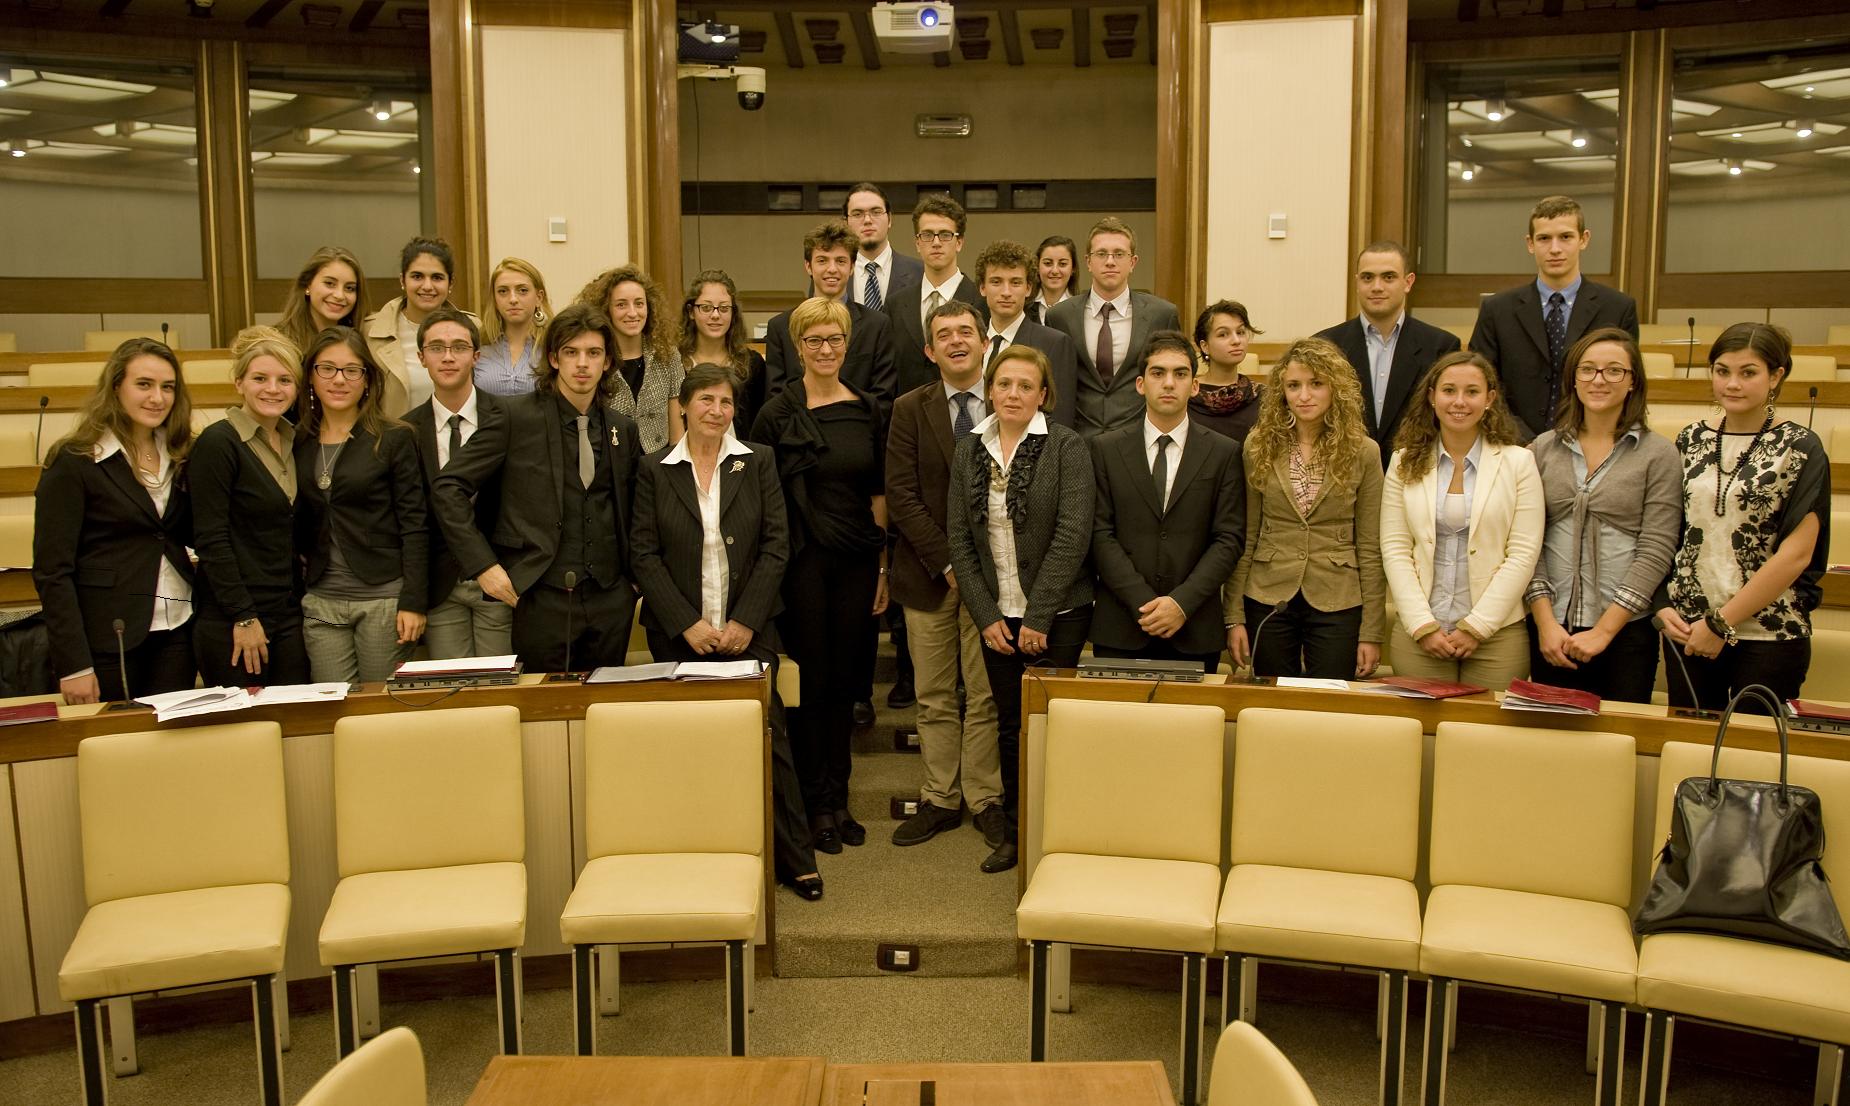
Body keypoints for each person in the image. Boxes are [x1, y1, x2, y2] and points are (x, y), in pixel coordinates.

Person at [630, 363, 823, 901]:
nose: (717, 411)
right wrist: (686, 623)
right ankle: (693, 851)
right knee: (688, 742)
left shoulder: (757, 462)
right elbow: (643, 553)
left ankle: (795, 858)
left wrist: (744, 621)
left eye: (726, 402)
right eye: (706, 401)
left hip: (750, 627)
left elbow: (776, 546)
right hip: (679, 632)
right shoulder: (653, 470)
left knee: (770, 735)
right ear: (684, 408)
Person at [432, 304, 644, 674]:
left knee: (605, 710)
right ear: (553, 358)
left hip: (610, 597)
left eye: (593, 353)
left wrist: (632, 582)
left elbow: (637, 506)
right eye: (571, 352)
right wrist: (483, 565)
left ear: (608, 361)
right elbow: (448, 487)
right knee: (544, 716)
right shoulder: (515, 417)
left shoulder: (621, 429)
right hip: (540, 594)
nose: (582, 364)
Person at [750, 297, 889, 859]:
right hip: (800, 563)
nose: (825, 350)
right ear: (797, 347)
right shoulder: (776, 414)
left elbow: (878, 494)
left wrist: (882, 567)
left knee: (846, 682)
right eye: (814, 341)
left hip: (857, 560)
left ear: (847, 344)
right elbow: (761, 496)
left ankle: (842, 798)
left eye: (834, 340)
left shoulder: (868, 409)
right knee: (809, 686)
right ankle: (812, 806)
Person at [886, 301, 1012, 872]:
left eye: (967, 331)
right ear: (929, 351)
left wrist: (979, 566)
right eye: (944, 335)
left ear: (986, 343)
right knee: (936, 695)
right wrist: (949, 560)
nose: (957, 341)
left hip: (996, 579)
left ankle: (985, 796)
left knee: (984, 695)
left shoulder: (1010, 401)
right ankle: (940, 796)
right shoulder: (910, 409)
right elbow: (902, 495)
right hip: (929, 575)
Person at [947, 345, 1094, 825]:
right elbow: (960, 538)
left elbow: (1073, 535)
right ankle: (1017, 826)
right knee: (1010, 726)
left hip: (1059, 614)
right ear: (989, 390)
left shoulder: (1066, 446)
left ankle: (1060, 827)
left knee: (1056, 727)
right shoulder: (969, 446)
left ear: (1043, 395)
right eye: (1005, 384)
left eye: (1026, 386)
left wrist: (1037, 617)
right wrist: (986, 615)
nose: (1014, 394)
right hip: (996, 618)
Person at [1658, 323, 1828, 711]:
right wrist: (1663, 604)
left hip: (1768, 633)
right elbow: (1669, 531)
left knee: (1754, 761)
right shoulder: (1690, 439)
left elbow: (1796, 556)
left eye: (1748, 372)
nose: (1732, 383)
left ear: (1776, 376)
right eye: (1722, 371)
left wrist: (1721, 624)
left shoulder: (1800, 447)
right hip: (1690, 629)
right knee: (1690, 751)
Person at [34, 339, 196, 704]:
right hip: (110, 635)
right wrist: (74, 665)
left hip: (178, 628)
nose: (158, 397)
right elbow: (52, 570)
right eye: (144, 384)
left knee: (172, 750)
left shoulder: (181, 452)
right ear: (115, 386)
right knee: (120, 749)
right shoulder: (74, 459)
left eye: (167, 387)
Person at [1525, 327, 1679, 703]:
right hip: (1550, 629)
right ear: (1573, 380)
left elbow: (1656, 548)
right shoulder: (1542, 449)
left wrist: (1605, 631)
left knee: (1618, 744)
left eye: (1614, 371)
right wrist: (1545, 623)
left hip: (1626, 631)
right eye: (1587, 369)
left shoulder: (1658, 454)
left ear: (1632, 383)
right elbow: (1526, 541)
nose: (1599, 379)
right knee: (1549, 745)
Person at [1224, 338, 1385, 680]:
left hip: (1337, 595)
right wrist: (1234, 615)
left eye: (1316, 384)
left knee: (1329, 706)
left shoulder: (1364, 452)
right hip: (1268, 593)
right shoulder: (1259, 444)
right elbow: (1247, 533)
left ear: (1335, 389)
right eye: (1293, 386)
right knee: (1269, 703)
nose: (1304, 395)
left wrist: (1372, 632)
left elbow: (1371, 548)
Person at [1380, 351, 1542, 691]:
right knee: (1420, 734)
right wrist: (1422, 625)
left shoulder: (1519, 462)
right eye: (1449, 390)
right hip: (1420, 632)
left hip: (1496, 634)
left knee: (1488, 739)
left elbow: (1524, 552)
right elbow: (1394, 548)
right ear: (1431, 397)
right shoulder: (1402, 461)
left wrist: (1477, 626)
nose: (1459, 402)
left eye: (1472, 392)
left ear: (1490, 400)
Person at [1090, 332, 1245, 671]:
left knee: (1193, 725)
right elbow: (1100, 534)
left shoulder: (1223, 452)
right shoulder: (1105, 449)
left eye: (1180, 373)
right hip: (1122, 624)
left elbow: (1229, 539)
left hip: (1193, 625)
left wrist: (1180, 604)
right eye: (1158, 373)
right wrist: (1144, 603)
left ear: (1194, 386)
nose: (1169, 383)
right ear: (1141, 384)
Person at [294, 327, 428, 684]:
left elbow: (415, 525)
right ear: (311, 375)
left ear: (367, 380)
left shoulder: (394, 438)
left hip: (383, 601)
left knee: (381, 715)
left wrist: (413, 601)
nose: (339, 380)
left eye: (352, 370)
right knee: (332, 711)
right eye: (327, 368)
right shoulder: (297, 440)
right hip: (322, 601)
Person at [189, 326, 310, 688]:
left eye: (284, 379)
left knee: (295, 726)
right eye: (260, 378)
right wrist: (243, 617)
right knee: (245, 733)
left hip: (287, 611)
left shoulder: (294, 440)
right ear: (239, 382)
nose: (273, 389)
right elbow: (212, 538)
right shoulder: (218, 443)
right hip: (235, 618)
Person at [1468, 196, 1639, 438]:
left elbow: (1624, 384)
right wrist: (1523, 441)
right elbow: (1481, 383)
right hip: (1511, 444)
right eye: (1544, 239)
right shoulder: (1497, 310)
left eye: (1566, 237)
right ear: (1530, 244)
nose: (1555, 248)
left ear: (1584, 239)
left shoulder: (1618, 308)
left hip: (1590, 442)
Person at [404, 306, 512, 660]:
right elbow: (411, 519)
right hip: (440, 585)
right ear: (421, 357)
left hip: (500, 577)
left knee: (501, 691)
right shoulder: (405, 432)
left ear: (476, 356)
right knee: (454, 693)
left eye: (459, 347)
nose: (448, 357)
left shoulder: (508, 418)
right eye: (436, 347)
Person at [1313, 241, 1461, 458]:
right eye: (1367, 277)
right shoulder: (1325, 345)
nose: (1377, 287)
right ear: (1357, 283)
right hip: (1344, 472)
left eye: (1389, 277)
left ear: (1408, 282)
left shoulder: (1441, 346)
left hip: (1414, 470)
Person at [1043, 217, 1182, 437]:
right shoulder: (1060, 316)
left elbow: (1173, 377)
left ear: (1133, 262)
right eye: (1101, 254)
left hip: (1137, 438)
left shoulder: (1161, 315)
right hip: (1078, 439)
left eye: (1119, 254)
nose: (1110, 261)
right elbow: (1055, 383)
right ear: (1088, 262)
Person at [764, 220, 898, 415]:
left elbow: (883, 397)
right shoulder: (780, 326)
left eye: (841, 261)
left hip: (857, 434)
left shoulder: (877, 325)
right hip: (798, 437)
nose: (832, 269)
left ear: (852, 267)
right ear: (808, 266)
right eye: (822, 260)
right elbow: (776, 396)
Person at [364, 236, 480, 417]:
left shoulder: (474, 328)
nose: (427, 286)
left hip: (457, 438)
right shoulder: (370, 331)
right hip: (394, 439)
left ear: (451, 283)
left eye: (437, 277)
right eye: (417, 276)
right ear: (403, 280)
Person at [885, 194, 987, 397]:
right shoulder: (895, 304)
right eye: (927, 235)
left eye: (945, 235)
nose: (936, 242)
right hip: (909, 420)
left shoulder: (982, 302)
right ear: (917, 243)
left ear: (959, 242)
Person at [575, 265, 685, 453]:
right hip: (607, 462)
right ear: (605, 310)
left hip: (656, 463)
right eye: (621, 305)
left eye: (639, 303)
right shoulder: (594, 357)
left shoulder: (668, 355)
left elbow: (677, 429)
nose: (633, 313)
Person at [974, 239, 1079, 430]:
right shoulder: (971, 343)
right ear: (983, 288)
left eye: (1015, 282)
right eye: (996, 282)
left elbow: (1060, 422)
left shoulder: (1054, 343)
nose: (1006, 292)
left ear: (1028, 288)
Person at [679, 269, 768, 435]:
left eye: (724, 308)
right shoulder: (675, 363)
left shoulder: (752, 364)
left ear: (733, 313)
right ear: (691, 312)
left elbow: (759, 426)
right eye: (706, 308)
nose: (715, 315)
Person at [1189, 301, 1266, 444]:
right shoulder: (1187, 395)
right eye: (1223, 334)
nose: (1236, 341)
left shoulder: (1262, 396)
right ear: (1205, 346)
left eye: (1241, 332)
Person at [476, 257, 551, 397]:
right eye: (503, 291)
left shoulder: (552, 346)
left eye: (522, 290)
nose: (513, 299)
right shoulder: (479, 345)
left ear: (538, 297)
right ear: (495, 299)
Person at [844, 182, 924, 311]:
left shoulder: (920, 272)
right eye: (857, 214)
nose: (867, 220)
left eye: (876, 212)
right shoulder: (831, 275)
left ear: (890, 219)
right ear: (846, 222)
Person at [277, 246, 368, 355]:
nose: (339, 295)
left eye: (349, 288)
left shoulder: (365, 341)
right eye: (329, 283)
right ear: (307, 285)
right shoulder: (278, 342)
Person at [1029, 235, 1079, 324]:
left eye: (1062, 264)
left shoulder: (1082, 309)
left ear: (1073, 268)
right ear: (1037, 266)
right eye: (1048, 263)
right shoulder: (1022, 307)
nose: (1055, 271)